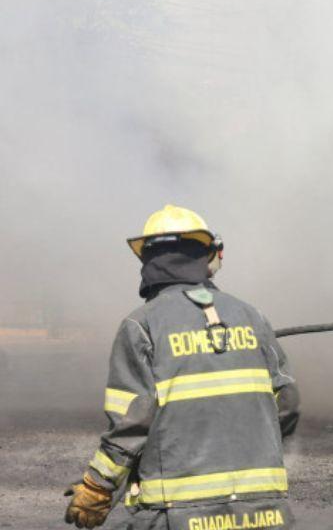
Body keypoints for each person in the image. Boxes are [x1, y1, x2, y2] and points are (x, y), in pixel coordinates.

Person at [64, 205, 300, 529]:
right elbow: (286, 404)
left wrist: (97, 488)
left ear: (146, 261)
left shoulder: (141, 326)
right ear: (207, 255)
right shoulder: (252, 317)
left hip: (177, 514)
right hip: (266, 512)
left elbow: (130, 426)